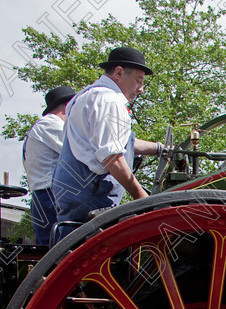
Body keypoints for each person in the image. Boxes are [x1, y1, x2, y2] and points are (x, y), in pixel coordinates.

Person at [51, 46, 164, 242]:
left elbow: (119, 143)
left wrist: (160, 148)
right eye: (139, 80)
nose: (141, 89)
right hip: (91, 198)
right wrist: (143, 198)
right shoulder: (109, 100)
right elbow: (112, 156)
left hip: (76, 193)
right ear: (119, 72)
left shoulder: (87, 95)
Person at [22, 85, 75, 245]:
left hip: (43, 194)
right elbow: (79, 151)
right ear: (67, 106)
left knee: (48, 245)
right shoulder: (52, 124)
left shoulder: (41, 126)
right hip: (52, 194)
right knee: (60, 246)